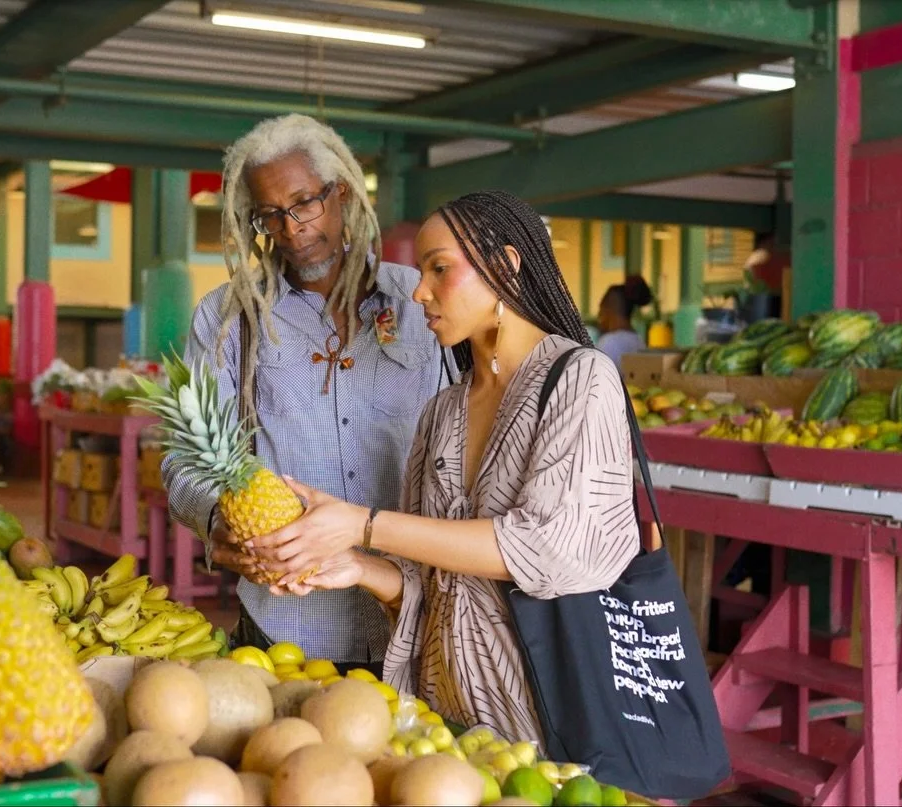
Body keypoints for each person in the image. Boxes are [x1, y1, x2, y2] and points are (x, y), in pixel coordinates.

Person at [249, 190, 641, 745]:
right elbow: (430, 589)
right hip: (445, 721)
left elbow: (549, 549)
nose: (419, 292)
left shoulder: (581, 381)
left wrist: (364, 523)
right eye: (419, 271)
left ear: (504, 267)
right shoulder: (443, 411)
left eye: (439, 270)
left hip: (546, 719)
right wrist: (358, 566)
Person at [163, 113, 445, 675]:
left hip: (417, 617)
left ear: (341, 191)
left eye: (304, 203)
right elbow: (183, 461)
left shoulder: (421, 304)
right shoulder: (227, 319)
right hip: (286, 625)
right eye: (270, 214)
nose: (291, 229)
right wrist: (220, 518)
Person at [594, 275, 652, 369]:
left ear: (609, 310)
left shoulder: (608, 344)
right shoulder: (639, 341)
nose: (599, 318)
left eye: (601, 312)